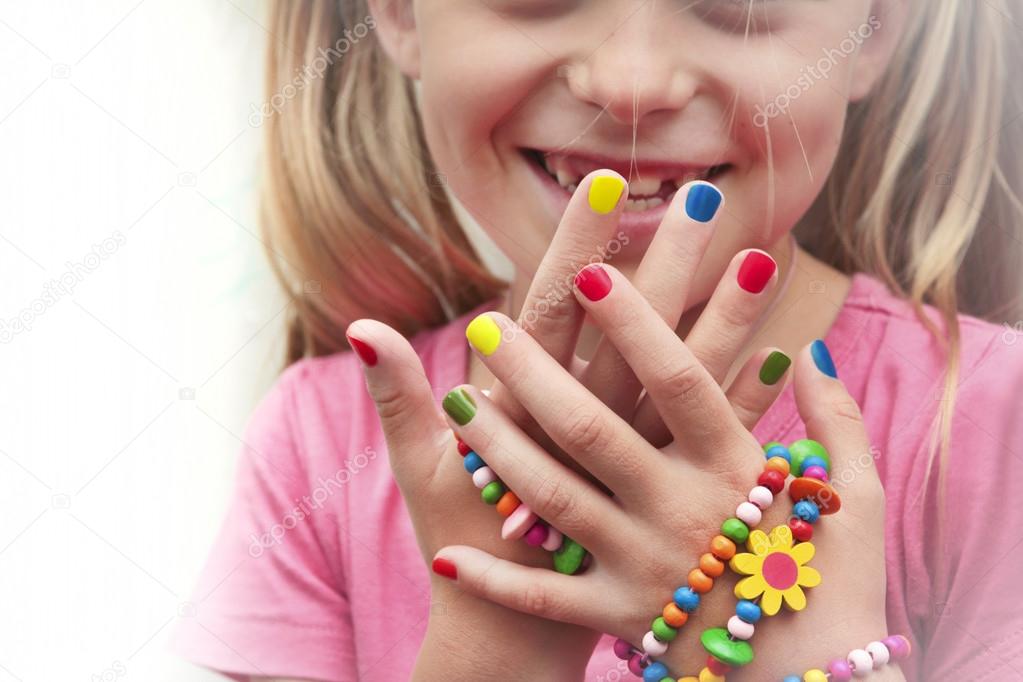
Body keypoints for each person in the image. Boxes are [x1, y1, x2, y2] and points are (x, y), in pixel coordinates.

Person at [173, 1, 1023, 680]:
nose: (630, 82)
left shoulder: (990, 421)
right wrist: (493, 654)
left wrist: (794, 661)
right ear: (395, 12)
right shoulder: (318, 443)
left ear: (873, 31)